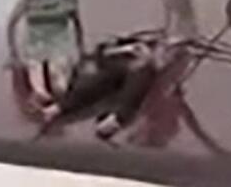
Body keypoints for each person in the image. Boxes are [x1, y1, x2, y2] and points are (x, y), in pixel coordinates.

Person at [41, 35, 173, 140]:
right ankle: (60, 107)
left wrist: (150, 57)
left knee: (139, 78)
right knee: (103, 80)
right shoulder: (135, 41)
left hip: (143, 66)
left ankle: (116, 119)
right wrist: (128, 49)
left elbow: (163, 61)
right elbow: (104, 52)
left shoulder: (166, 49)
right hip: (123, 62)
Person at [5, 0, 84, 109]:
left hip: (60, 46)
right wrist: (13, 53)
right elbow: (12, 22)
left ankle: (58, 101)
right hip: (35, 46)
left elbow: (77, 23)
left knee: (59, 85)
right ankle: (39, 95)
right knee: (38, 80)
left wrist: (80, 49)